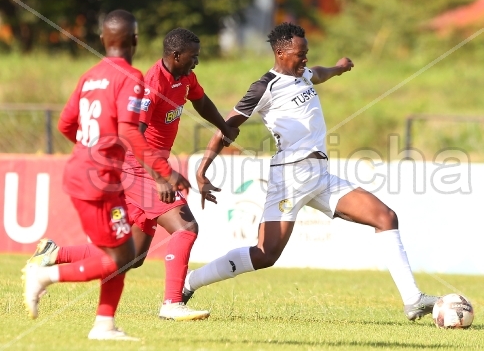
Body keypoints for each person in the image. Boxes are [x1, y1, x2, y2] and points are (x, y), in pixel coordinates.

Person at [183, 22, 439, 321]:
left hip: (320, 175)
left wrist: (339, 68)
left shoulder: (303, 73)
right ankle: (190, 282)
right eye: (299, 53)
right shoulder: (265, 86)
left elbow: (318, 72)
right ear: (280, 52)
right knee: (265, 255)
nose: (305, 58)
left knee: (386, 217)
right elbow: (226, 126)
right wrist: (203, 169)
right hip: (289, 178)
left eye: (306, 52)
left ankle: (413, 299)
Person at [26, 27, 240, 321]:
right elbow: (133, 137)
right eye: (193, 57)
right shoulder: (151, 85)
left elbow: (200, 100)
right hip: (139, 168)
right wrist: (159, 177)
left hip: (149, 168)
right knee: (186, 227)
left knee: (132, 256)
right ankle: (172, 303)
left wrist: (224, 127)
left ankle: (53, 255)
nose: (197, 62)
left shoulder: (185, 77)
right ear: (176, 55)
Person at [22, 10, 190, 341]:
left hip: (89, 175)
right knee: (120, 257)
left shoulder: (90, 75)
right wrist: (165, 171)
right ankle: (45, 276)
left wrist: (92, 150)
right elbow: (130, 130)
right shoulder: (130, 76)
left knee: (125, 252)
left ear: (102, 40)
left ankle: (104, 324)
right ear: (136, 40)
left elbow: (66, 123)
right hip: (99, 180)